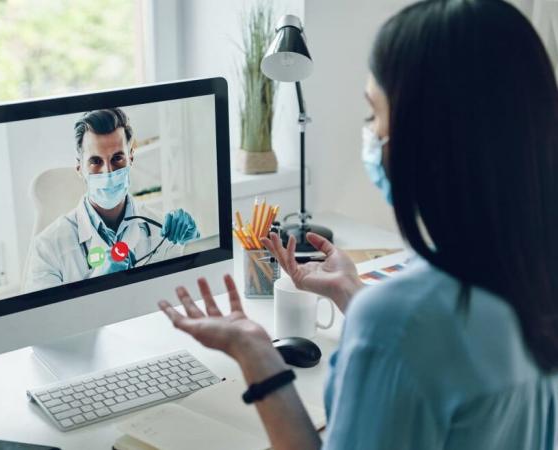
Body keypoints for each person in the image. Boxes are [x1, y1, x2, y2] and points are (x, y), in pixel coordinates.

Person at [157, 1, 558, 449]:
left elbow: (416, 335)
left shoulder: (399, 322)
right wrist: (352, 294)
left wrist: (255, 352)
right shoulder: (533, 280)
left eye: (374, 114)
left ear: (424, 139)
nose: (370, 134)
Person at [24, 108, 200, 291]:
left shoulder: (161, 230)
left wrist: (193, 244)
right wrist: (95, 283)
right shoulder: (47, 247)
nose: (108, 172)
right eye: (95, 161)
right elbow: (44, 317)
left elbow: (185, 294)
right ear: (79, 167)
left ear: (130, 158)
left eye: (117, 158)